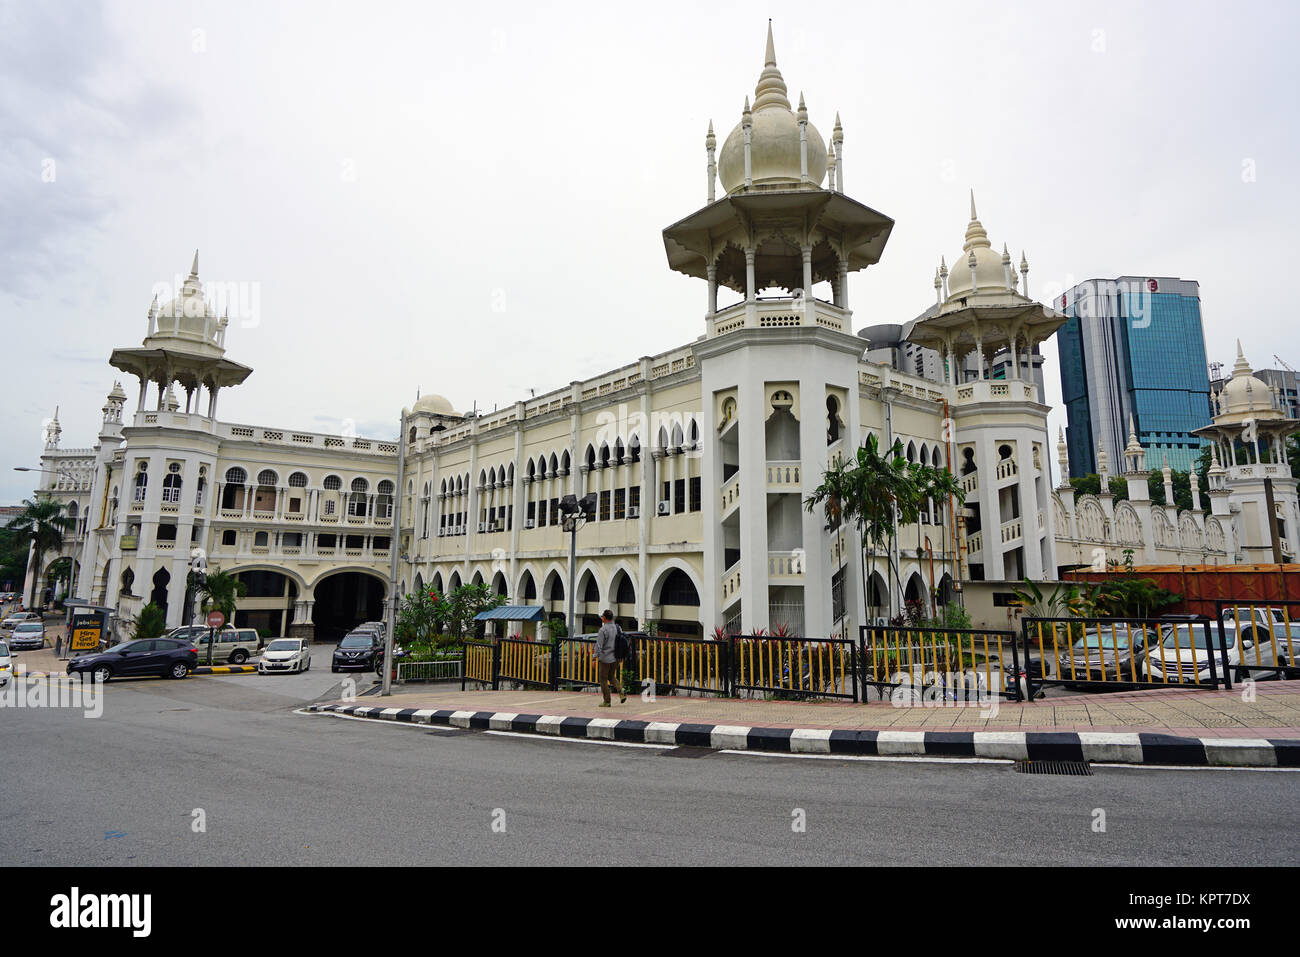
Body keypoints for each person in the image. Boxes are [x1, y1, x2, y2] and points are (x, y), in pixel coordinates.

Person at [592, 609, 625, 707]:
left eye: (602, 616)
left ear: (605, 618)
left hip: (605, 658)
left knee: (603, 679)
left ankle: (607, 701)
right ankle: (620, 689)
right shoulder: (617, 627)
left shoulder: (603, 630)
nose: (601, 618)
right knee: (611, 676)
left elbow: (599, 645)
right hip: (616, 657)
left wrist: (594, 657)